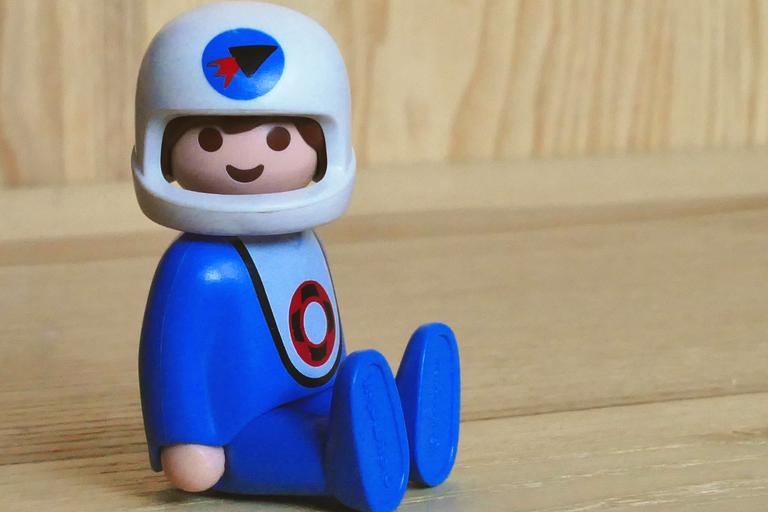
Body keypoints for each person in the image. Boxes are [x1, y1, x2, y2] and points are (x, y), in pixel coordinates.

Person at [132, 3, 460, 511]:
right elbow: (173, 359)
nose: (245, 158)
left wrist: (339, 383)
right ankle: (349, 463)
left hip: (317, 391)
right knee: (320, 450)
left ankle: (401, 428)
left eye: (279, 138)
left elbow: (318, 330)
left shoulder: (303, 244)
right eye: (210, 139)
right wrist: (186, 438)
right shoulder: (198, 269)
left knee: (347, 406)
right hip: (238, 427)